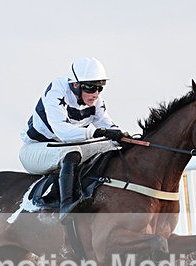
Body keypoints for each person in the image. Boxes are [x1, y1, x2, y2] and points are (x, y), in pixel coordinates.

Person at [19, 57, 128, 223]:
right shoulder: (56, 91)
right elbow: (63, 132)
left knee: (110, 148)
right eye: (91, 88)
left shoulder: (95, 100)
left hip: (65, 147)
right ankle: (66, 207)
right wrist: (97, 132)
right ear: (75, 85)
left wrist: (123, 137)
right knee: (72, 153)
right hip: (35, 149)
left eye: (100, 88)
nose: (96, 94)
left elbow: (108, 126)